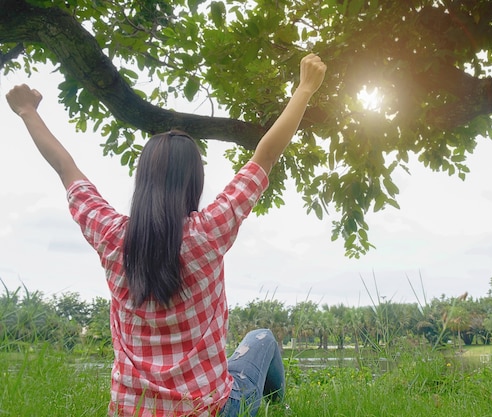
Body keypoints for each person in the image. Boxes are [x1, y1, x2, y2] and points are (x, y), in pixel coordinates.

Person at [6, 53, 326, 417]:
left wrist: (28, 112)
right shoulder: (208, 232)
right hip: (209, 409)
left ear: (143, 180)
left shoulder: (111, 235)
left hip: (131, 411)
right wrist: (304, 88)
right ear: (194, 182)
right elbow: (265, 155)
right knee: (262, 339)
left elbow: (66, 168)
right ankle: (278, 410)